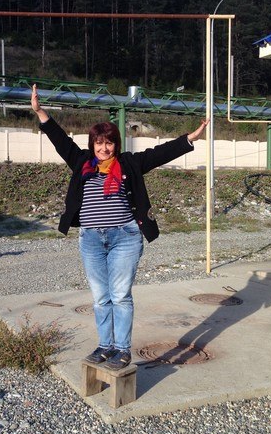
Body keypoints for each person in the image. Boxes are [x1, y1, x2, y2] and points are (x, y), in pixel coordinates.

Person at [31, 84, 208, 370]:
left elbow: (159, 153)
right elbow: (60, 139)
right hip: (91, 239)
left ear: (117, 144)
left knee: (120, 296)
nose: (104, 148)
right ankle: (105, 346)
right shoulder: (81, 162)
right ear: (92, 145)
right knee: (101, 298)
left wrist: (189, 138)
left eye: (109, 143)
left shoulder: (129, 163)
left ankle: (122, 350)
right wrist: (40, 112)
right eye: (99, 143)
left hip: (124, 237)